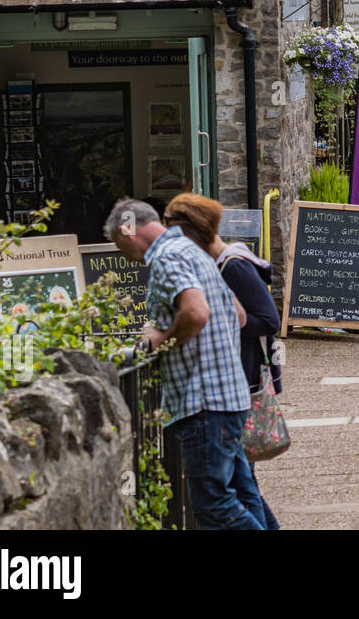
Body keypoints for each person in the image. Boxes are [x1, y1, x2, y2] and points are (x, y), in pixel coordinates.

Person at [105, 198, 262, 530]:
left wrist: (159, 339)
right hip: (229, 395)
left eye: (119, 244)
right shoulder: (195, 252)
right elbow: (238, 314)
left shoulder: (167, 257)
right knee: (243, 495)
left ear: (127, 229)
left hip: (202, 401)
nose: (122, 253)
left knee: (213, 505)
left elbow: (196, 312)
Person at [164, 193, 281, 531]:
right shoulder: (220, 265)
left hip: (242, 381)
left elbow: (269, 319)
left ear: (192, 232)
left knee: (237, 489)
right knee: (244, 486)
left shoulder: (234, 265)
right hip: (232, 385)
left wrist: (228, 319)